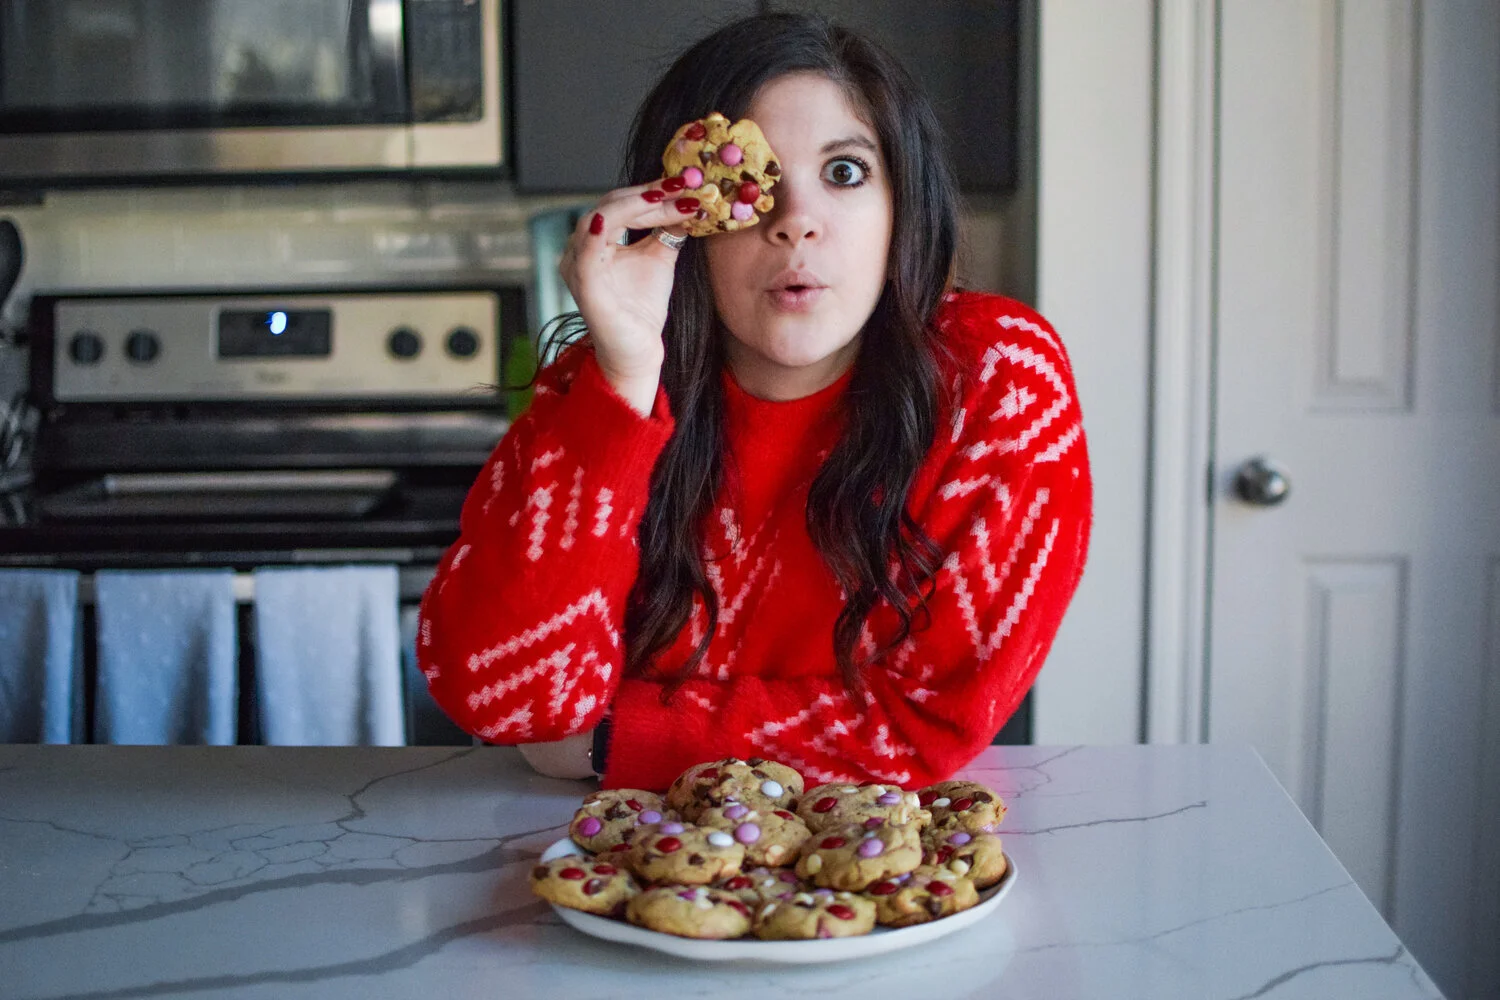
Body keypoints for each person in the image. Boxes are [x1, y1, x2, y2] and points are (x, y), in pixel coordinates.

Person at [418, 12, 1092, 791]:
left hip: (871, 884)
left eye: (845, 173)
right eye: (750, 182)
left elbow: (924, 725)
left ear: (902, 208)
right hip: (618, 873)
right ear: (684, 216)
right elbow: (505, 703)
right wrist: (623, 385)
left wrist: (613, 739)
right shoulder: (600, 383)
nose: (795, 222)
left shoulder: (999, 381)